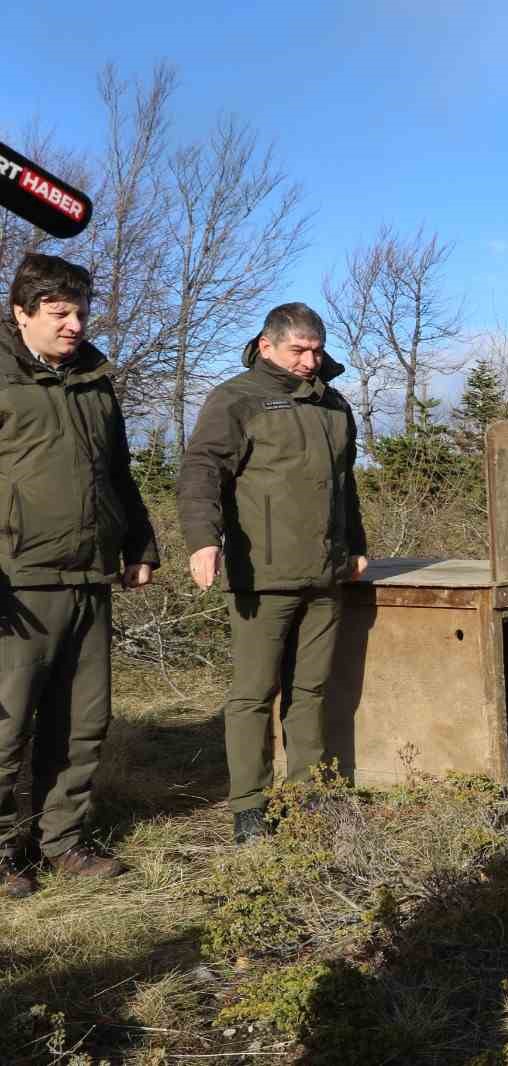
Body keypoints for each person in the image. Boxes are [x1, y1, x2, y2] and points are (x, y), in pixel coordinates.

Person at [178, 303, 368, 844]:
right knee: (254, 693)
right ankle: (250, 808)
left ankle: (309, 796)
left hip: (325, 574)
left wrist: (355, 546)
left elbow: (343, 484)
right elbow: (201, 470)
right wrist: (202, 541)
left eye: (316, 351)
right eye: (297, 351)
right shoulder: (237, 398)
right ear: (267, 345)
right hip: (262, 575)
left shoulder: (335, 404)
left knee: (311, 690)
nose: (310, 361)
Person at [0, 254, 159, 897]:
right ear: (21, 313)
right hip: (17, 584)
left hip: (89, 576)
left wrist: (141, 543)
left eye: (82, 312)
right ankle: (4, 851)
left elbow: (116, 473)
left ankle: (61, 840)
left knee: (83, 719)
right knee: (7, 723)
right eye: (60, 313)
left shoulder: (95, 379)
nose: (75, 325)